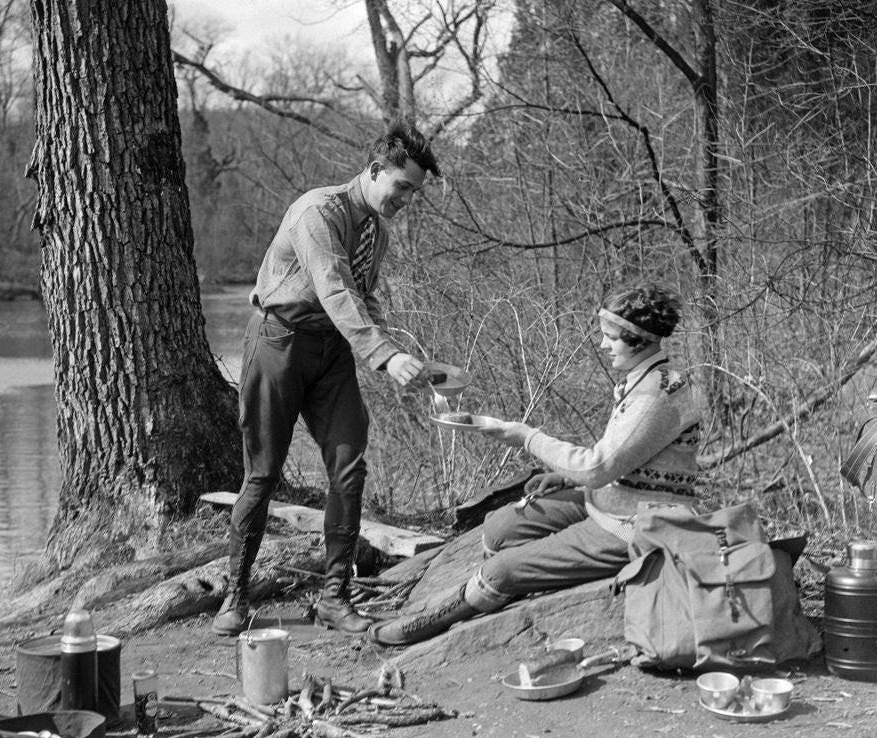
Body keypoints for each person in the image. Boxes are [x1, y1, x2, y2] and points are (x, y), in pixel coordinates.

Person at [367, 283, 701, 646]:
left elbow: (598, 467)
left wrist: (527, 437)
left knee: (501, 569)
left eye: (610, 338)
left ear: (639, 339)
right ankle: (505, 585)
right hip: (609, 499)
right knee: (499, 528)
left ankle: (437, 621)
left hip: (638, 524)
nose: (603, 345)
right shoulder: (641, 379)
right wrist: (563, 476)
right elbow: (624, 458)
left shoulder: (656, 393)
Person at [213, 121, 442, 636]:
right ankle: (234, 597)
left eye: (414, 192)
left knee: (348, 468)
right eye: (401, 186)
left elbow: (362, 299)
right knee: (263, 474)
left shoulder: (376, 232)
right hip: (279, 342)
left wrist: (404, 356)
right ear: (375, 169)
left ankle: (335, 599)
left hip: (332, 352)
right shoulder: (318, 212)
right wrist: (383, 355)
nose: (405, 198)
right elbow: (334, 288)